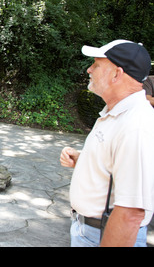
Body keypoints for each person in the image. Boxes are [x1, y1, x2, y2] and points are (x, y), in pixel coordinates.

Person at [60, 40, 154, 247]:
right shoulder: (117, 114)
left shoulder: (136, 126)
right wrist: (83, 159)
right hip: (89, 231)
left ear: (116, 74)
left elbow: (131, 212)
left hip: (102, 235)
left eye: (97, 64)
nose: (89, 69)